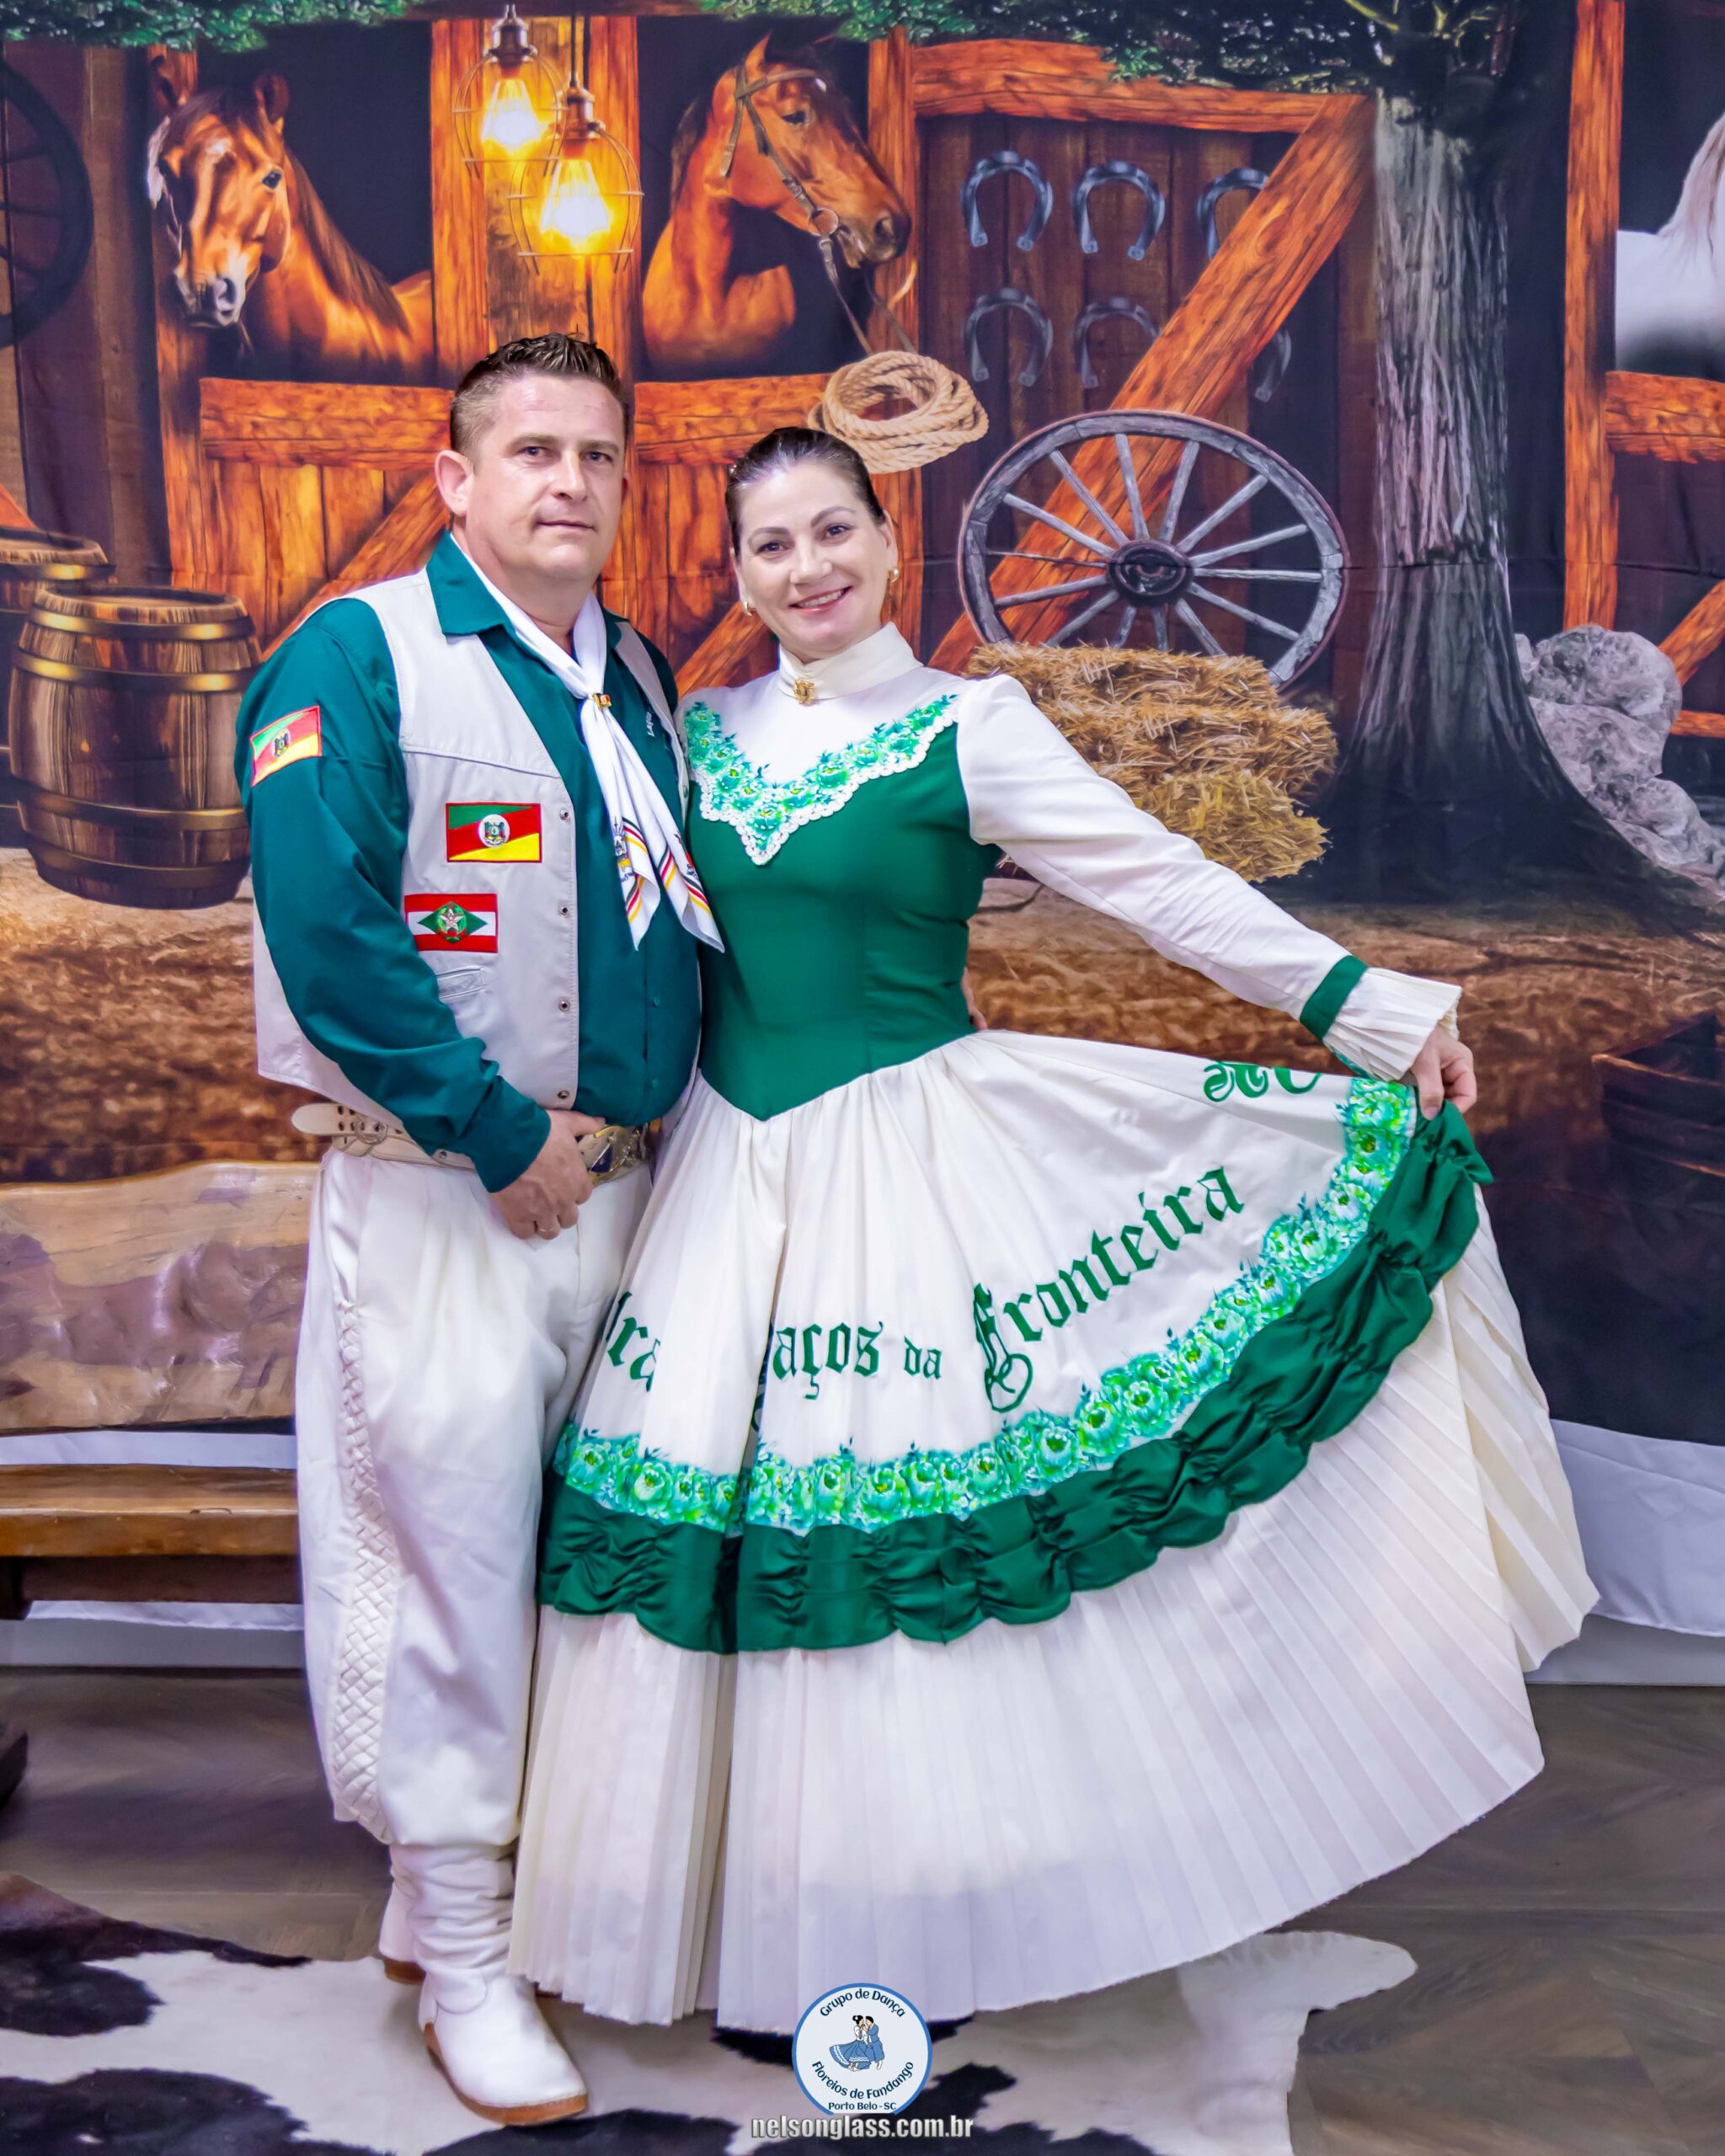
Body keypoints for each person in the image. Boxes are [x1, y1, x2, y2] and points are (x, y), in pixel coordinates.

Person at [509, 425, 1596, 2038]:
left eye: (832, 532)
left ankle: (912, 1929)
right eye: (770, 546)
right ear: (735, 573)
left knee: (899, 1546)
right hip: (726, 1185)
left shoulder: (971, 726)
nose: (806, 569)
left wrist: (1368, 1006)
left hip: (907, 1171)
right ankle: (745, 1921)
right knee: (734, 1544)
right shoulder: (697, 730)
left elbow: (1161, 881)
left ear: (889, 540)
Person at [238, 334, 718, 2123]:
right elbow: (328, 926)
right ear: (454, 478)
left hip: (625, 1196)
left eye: (598, 454)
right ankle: (467, 1958)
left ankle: (440, 1907)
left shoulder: (636, 673)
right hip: (452, 1187)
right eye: (530, 450)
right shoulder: (357, 654)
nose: (568, 482)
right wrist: (496, 1128)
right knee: (451, 1560)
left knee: (563, 1569)